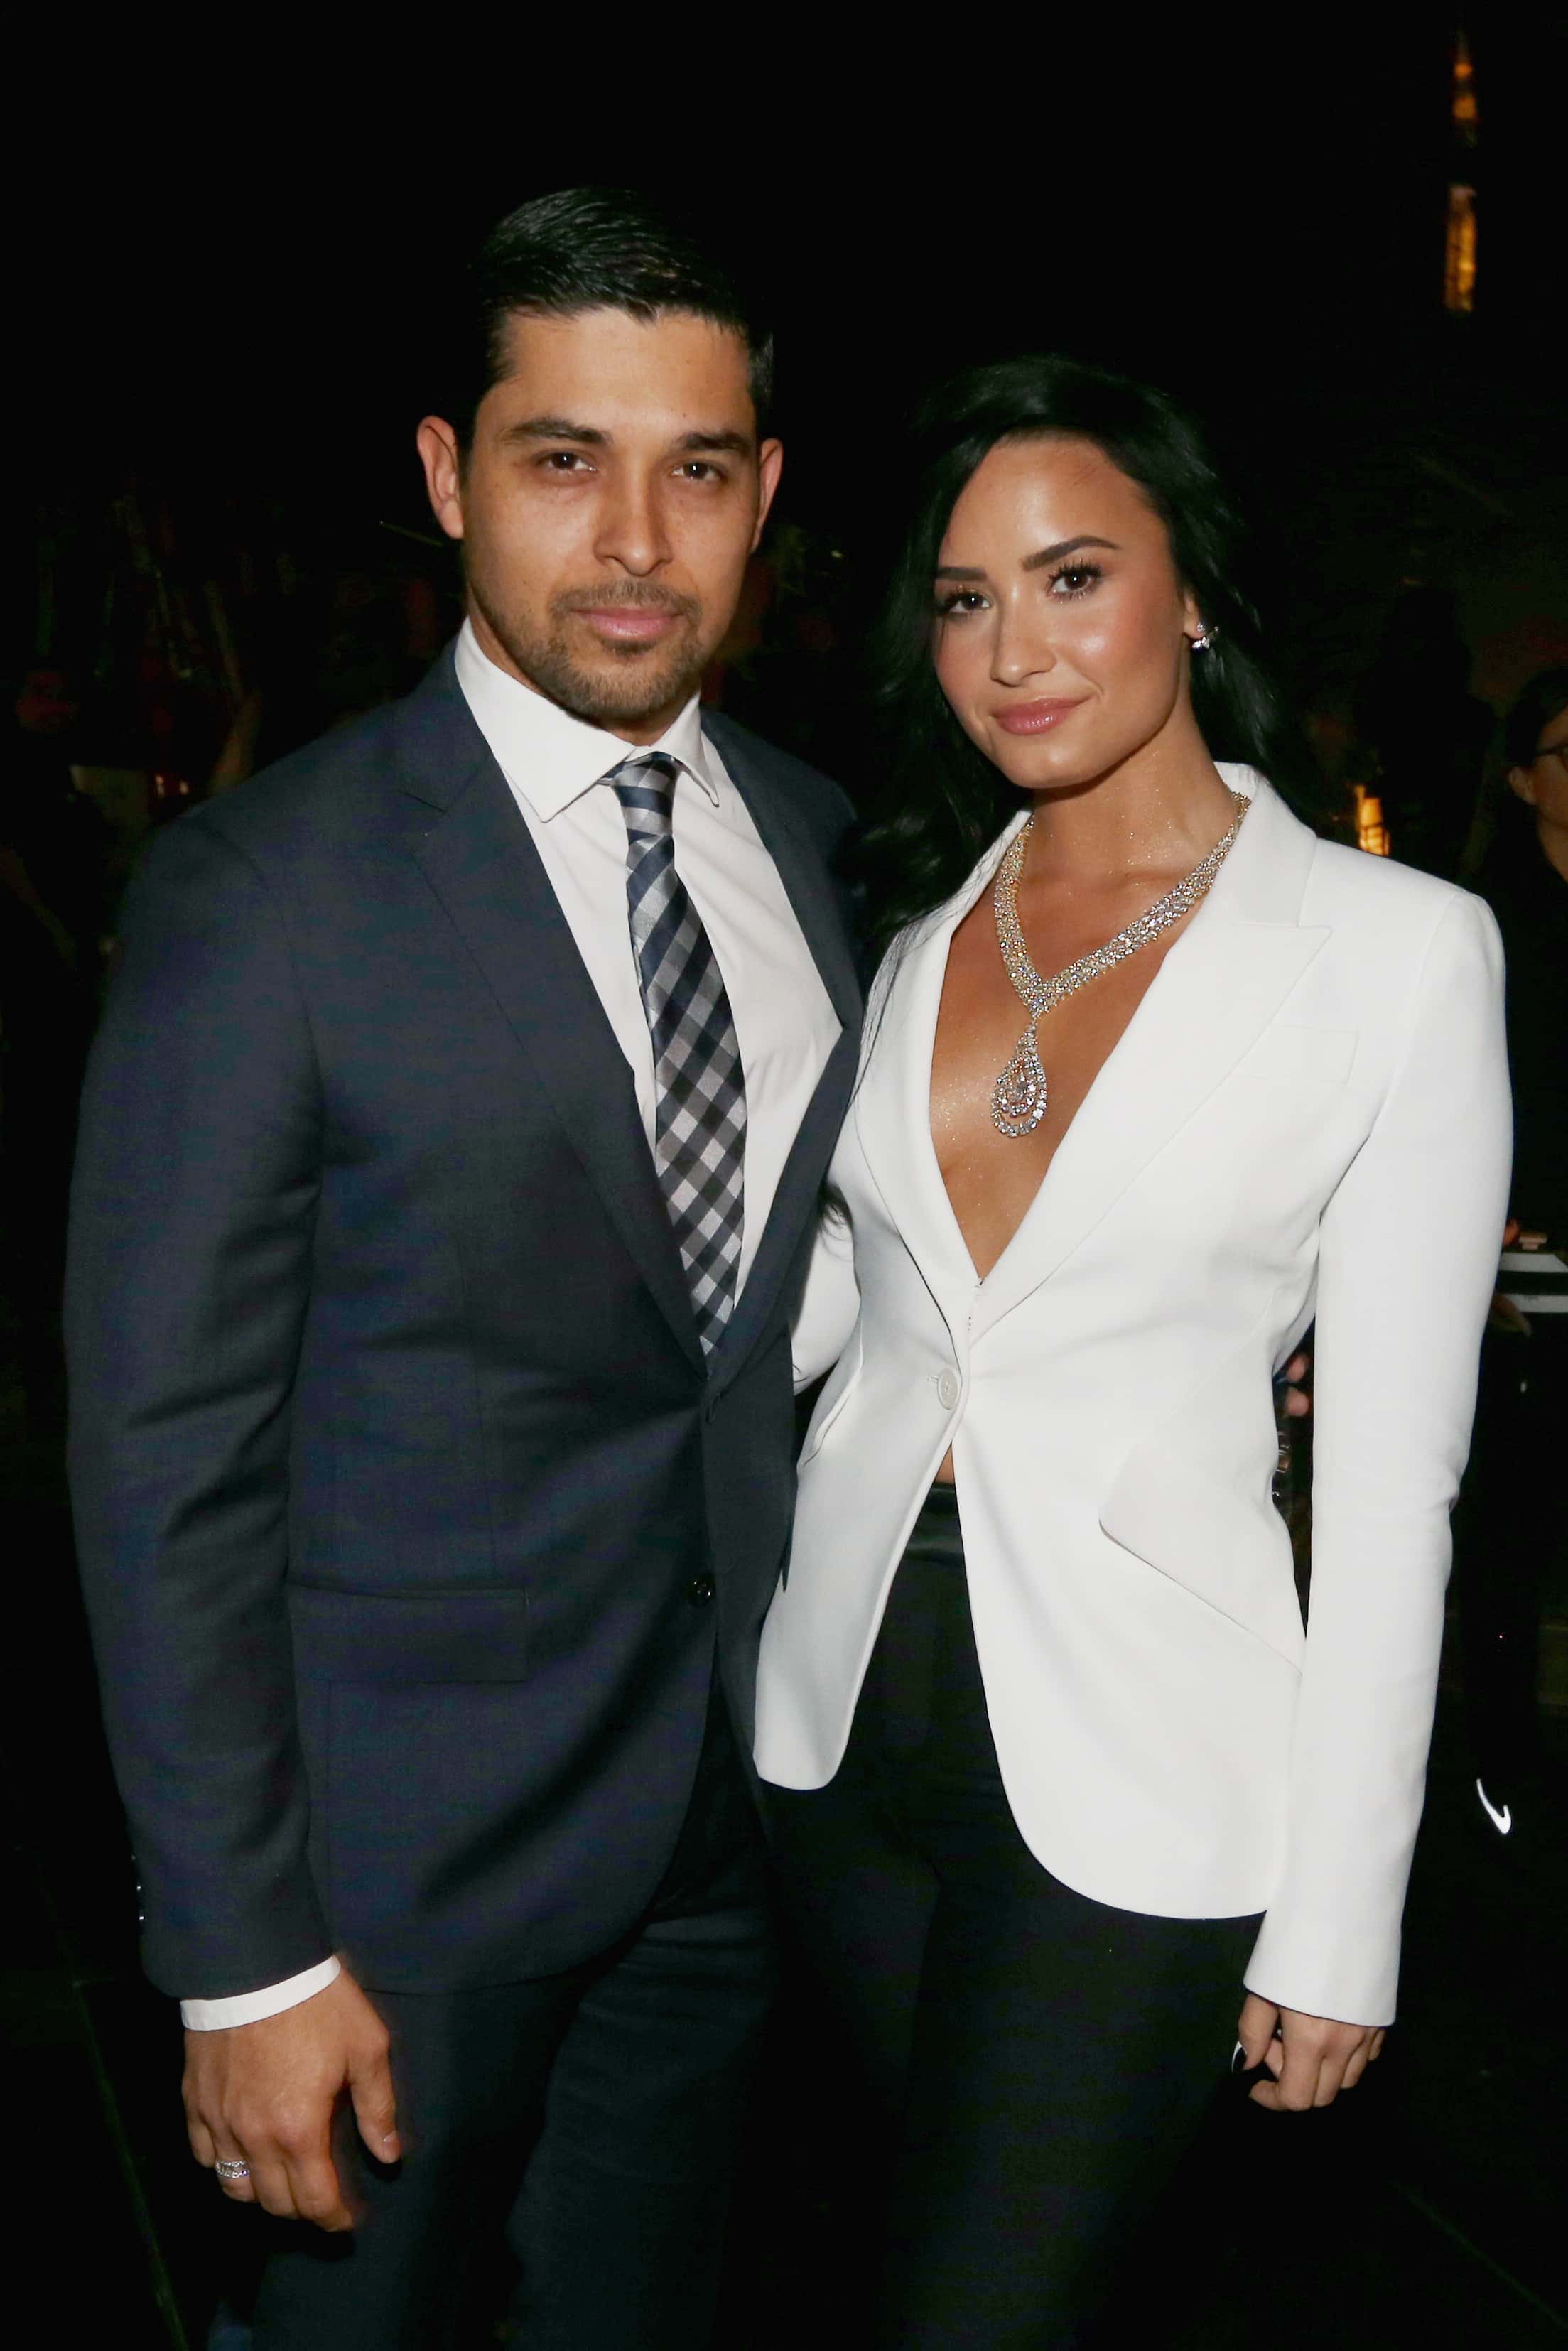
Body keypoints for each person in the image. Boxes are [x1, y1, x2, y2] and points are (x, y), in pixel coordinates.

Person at [66, 188, 860, 2350]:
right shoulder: (266, 889)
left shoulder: (819, 840)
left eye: (695, 468)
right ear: (445, 475)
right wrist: (244, 1952)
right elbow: (163, 1459)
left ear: (763, 495)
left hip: (719, 1845)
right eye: (559, 457)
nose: (631, 536)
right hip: (386, 1887)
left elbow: (818, 1305)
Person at [756, 357, 1511, 2344]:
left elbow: (1390, 1482)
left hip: (1148, 1761)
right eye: (963, 596)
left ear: (1191, 591)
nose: (1012, 648)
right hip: (841, 1726)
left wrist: (1344, 1916)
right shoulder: (922, 920)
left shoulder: (1398, 951)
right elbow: (837, 1306)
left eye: (1072, 576)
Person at [1454, 664, 1568, 1871]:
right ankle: (1497, 1788)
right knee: (1505, 1548)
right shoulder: (1481, 923)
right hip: (1519, 1289)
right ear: (1527, 778)